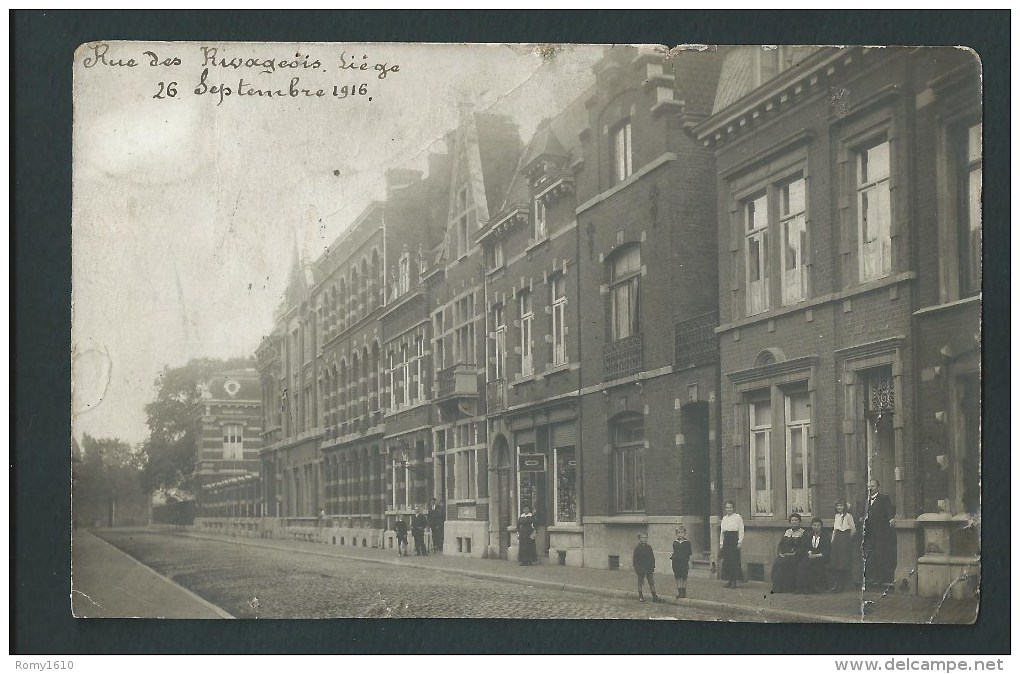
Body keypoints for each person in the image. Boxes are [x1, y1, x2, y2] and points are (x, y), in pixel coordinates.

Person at [862, 479, 896, 587]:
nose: (870, 488)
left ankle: (882, 578)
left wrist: (891, 518)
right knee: (871, 555)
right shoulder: (866, 500)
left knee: (881, 553)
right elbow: (863, 513)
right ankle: (873, 577)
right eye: (869, 486)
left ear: (878, 487)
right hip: (869, 532)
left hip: (881, 532)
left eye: (872, 486)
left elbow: (889, 510)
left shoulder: (884, 498)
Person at [771, 513, 806, 593]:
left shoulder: (803, 533)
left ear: (799, 521)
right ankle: (779, 588)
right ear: (790, 522)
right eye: (792, 520)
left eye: (796, 520)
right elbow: (781, 544)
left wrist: (794, 553)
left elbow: (803, 547)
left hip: (796, 555)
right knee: (778, 562)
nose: (794, 522)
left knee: (789, 562)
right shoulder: (787, 532)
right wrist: (780, 553)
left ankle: (789, 588)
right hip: (785, 554)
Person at [828, 499, 856, 592]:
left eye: (841, 505)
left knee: (843, 562)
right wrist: (833, 541)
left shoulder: (848, 516)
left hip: (845, 538)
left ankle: (845, 586)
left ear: (844, 506)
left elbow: (853, 530)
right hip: (837, 539)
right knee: (836, 562)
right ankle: (837, 585)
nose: (839, 507)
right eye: (837, 506)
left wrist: (847, 540)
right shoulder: (836, 516)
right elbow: (835, 530)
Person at [800, 517, 830, 594]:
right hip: (811, 555)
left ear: (821, 526)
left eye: (818, 525)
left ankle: (816, 587)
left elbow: (827, 549)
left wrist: (816, 555)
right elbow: (805, 546)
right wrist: (809, 552)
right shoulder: (808, 534)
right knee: (804, 564)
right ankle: (806, 587)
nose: (816, 527)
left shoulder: (825, 536)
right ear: (811, 526)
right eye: (814, 525)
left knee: (816, 564)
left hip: (821, 556)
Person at [719, 500, 744, 589]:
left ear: (733, 508)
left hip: (734, 540)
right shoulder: (724, 518)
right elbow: (722, 532)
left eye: (730, 507)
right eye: (727, 508)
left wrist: (739, 542)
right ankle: (729, 580)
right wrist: (721, 543)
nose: (729, 509)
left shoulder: (737, 517)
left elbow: (741, 530)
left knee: (734, 561)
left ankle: (734, 581)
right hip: (726, 540)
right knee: (727, 562)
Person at [633, 533, 664, 603]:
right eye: (643, 537)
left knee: (651, 582)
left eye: (646, 537)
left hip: (648, 568)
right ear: (639, 539)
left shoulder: (649, 547)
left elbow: (652, 558)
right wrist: (637, 568)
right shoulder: (637, 548)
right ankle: (640, 596)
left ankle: (654, 596)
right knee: (640, 582)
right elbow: (635, 560)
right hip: (641, 568)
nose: (644, 539)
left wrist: (652, 566)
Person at [670, 526, 693, 599]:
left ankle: (684, 592)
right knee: (678, 577)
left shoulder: (687, 543)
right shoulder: (675, 543)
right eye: (678, 532)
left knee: (684, 577)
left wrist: (685, 557)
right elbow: (675, 552)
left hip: (684, 562)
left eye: (682, 532)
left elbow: (690, 552)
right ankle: (679, 592)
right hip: (676, 562)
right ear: (676, 534)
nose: (680, 534)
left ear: (685, 533)